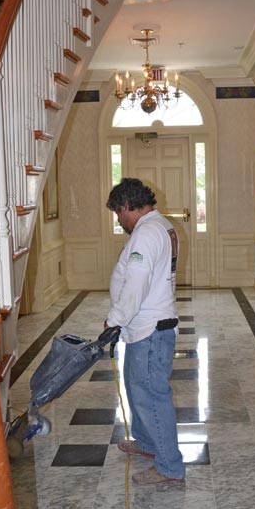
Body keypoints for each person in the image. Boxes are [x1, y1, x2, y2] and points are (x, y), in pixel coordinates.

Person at [105, 178, 185, 485]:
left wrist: (114, 319)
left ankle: (169, 467)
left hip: (150, 330)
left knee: (152, 396)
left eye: (118, 214)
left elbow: (136, 284)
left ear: (127, 206)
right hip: (146, 328)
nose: (119, 220)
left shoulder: (146, 233)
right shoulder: (158, 225)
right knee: (138, 390)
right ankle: (148, 443)